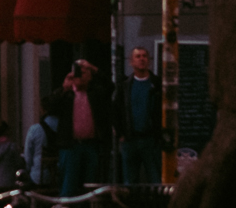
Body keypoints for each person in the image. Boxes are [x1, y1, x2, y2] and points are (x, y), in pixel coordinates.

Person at [57, 59, 113, 196]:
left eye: (84, 73)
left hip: (91, 145)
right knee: (68, 185)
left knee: (90, 186)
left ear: (90, 76)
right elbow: (49, 107)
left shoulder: (95, 93)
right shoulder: (67, 95)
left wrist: (93, 68)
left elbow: (110, 86)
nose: (81, 76)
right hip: (71, 146)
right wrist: (63, 89)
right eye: (78, 73)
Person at [114, 46, 165, 185]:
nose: (142, 59)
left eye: (144, 56)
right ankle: (131, 206)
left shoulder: (157, 84)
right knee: (129, 182)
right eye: (138, 56)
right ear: (131, 62)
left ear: (149, 60)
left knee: (156, 179)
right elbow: (116, 110)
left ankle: (157, 206)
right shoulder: (125, 85)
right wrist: (121, 133)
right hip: (130, 139)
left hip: (151, 139)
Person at [24, 95, 61, 190]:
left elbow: (28, 157)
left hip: (39, 178)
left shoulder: (35, 129)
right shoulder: (64, 129)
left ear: (42, 109)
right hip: (60, 175)